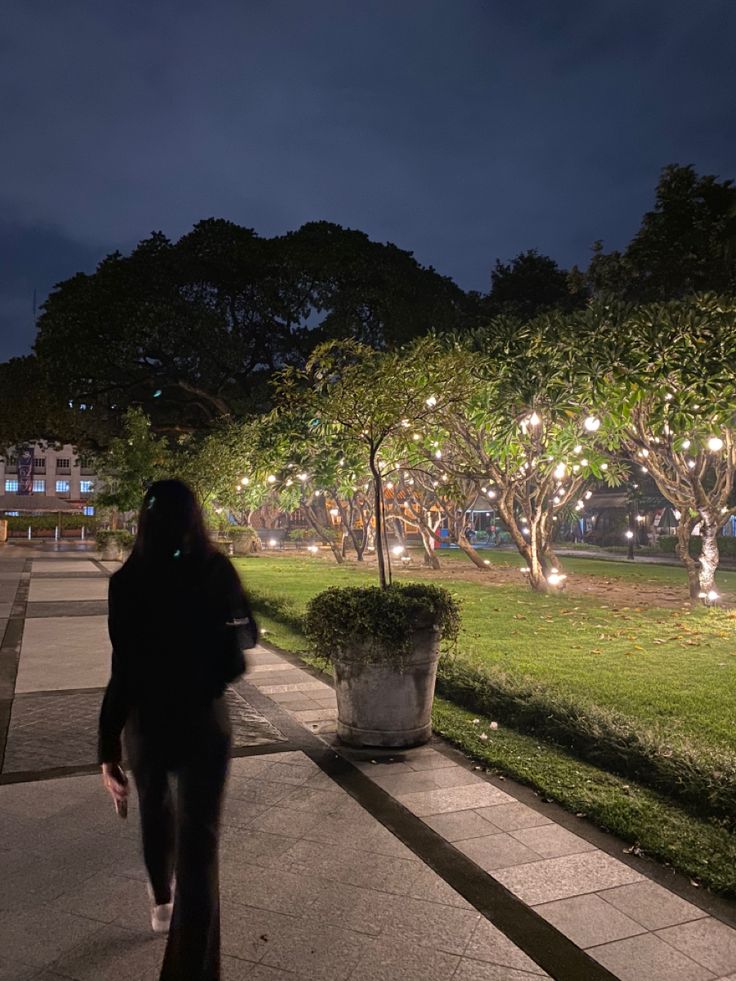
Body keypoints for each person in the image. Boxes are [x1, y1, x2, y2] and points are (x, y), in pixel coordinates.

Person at [98, 480, 257, 981]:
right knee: (200, 846)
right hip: (205, 724)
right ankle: (195, 970)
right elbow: (238, 656)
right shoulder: (216, 572)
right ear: (196, 516)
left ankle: (161, 900)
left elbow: (122, 673)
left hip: (147, 724)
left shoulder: (126, 582)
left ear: (144, 521)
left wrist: (107, 749)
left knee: (155, 808)